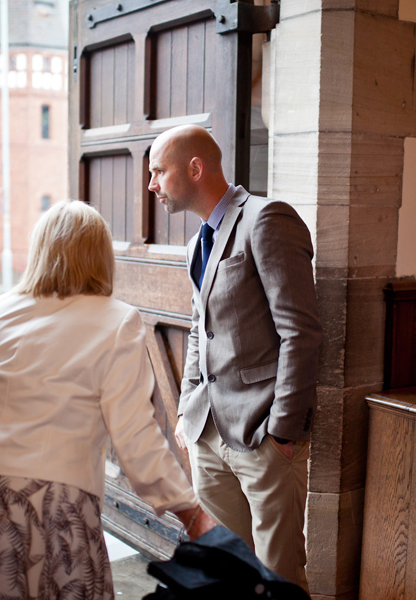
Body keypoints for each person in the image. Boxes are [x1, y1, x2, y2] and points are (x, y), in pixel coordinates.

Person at [0, 201, 214, 600]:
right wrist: (190, 511)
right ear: (100, 257)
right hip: (49, 502)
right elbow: (135, 436)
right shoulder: (117, 320)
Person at [148, 124, 323, 590]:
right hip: (207, 437)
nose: (152, 185)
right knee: (234, 575)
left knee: (279, 574)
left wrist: (283, 430)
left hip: (264, 434)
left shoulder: (266, 220)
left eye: (158, 172)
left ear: (195, 168)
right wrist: (187, 407)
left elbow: (300, 332)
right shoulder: (196, 245)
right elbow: (197, 332)